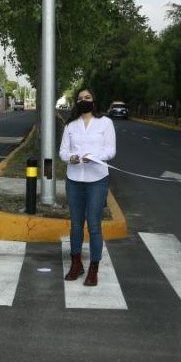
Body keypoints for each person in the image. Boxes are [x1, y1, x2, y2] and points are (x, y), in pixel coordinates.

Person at [57, 88, 116, 286]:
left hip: (97, 180)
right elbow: (63, 152)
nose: (84, 100)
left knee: (93, 224)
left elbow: (111, 150)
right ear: (77, 102)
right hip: (74, 179)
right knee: (75, 224)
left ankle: (93, 268)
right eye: (81, 98)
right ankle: (76, 264)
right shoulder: (71, 125)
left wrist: (95, 157)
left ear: (94, 100)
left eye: (88, 97)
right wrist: (71, 158)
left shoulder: (105, 123)